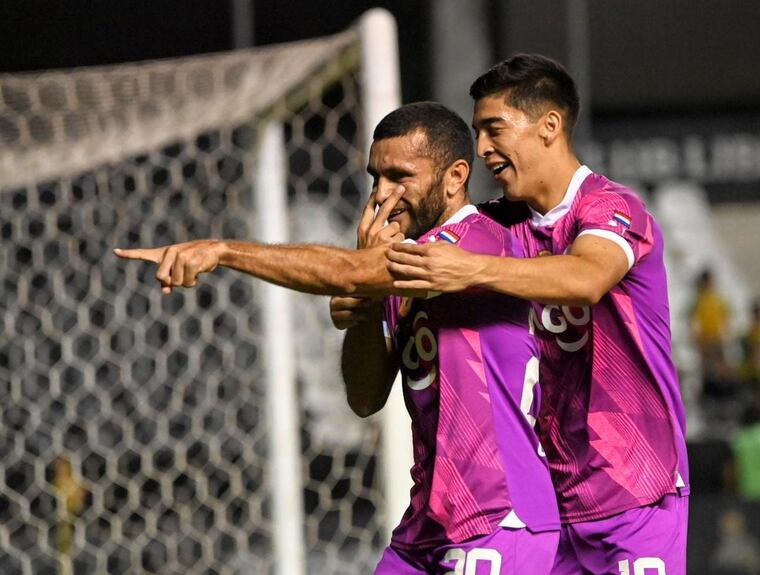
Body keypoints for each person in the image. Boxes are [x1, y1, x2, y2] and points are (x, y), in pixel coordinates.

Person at [116, 102, 561, 574]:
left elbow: (349, 273)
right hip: (428, 527)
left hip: (501, 517)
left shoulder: (476, 243)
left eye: (399, 177)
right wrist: (368, 308)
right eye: (376, 177)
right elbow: (366, 397)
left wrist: (222, 250)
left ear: (454, 178)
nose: (381, 195)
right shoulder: (402, 274)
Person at [384, 54, 690, 574]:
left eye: (494, 129)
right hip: (546, 501)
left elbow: (586, 278)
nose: (482, 150)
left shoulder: (612, 208)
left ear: (549, 126)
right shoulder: (492, 228)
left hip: (633, 495)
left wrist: (472, 270)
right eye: (477, 132)